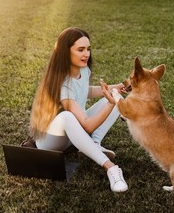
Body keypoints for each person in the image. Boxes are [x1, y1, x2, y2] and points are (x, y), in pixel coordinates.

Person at [29, 27, 128, 192]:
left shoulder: (83, 70)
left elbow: (85, 91)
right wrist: (110, 104)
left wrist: (115, 88)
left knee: (117, 97)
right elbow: (87, 125)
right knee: (67, 116)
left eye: (88, 49)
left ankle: (93, 144)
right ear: (65, 52)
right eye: (80, 49)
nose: (86, 54)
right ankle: (111, 168)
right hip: (52, 141)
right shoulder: (62, 83)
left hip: (74, 135)